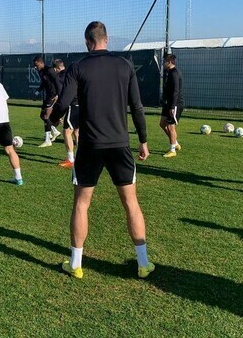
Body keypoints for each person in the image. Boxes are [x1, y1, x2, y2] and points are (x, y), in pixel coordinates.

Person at [50, 21, 153, 279]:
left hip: (90, 147)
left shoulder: (78, 67)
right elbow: (137, 107)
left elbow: (63, 102)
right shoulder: (124, 65)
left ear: (87, 42)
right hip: (120, 145)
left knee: (81, 204)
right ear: (107, 39)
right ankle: (143, 264)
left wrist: (52, 121)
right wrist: (143, 140)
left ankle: (76, 264)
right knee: (131, 203)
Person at [53, 58, 79, 168]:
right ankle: (82, 157)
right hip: (82, 104)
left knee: (66, 132)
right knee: (76, 131)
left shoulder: (59, 77)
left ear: (55, 69)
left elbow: (63, 96)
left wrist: (59, 114)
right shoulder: (73, 74)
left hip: (73, 105)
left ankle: (70, 159)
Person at [33, 55, 62, 147]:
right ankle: (55, 131)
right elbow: (44, 83)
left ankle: (47, 140)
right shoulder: (40, 71)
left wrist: (58, 94)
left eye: (36, 65)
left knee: (46, 116)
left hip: (53, 96)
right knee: (42, 116)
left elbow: (58, 81)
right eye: (34, 65)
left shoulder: (49, 70)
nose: (35, 67)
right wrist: (37, 91)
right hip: (48, 95)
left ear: (41, 63)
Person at [160, 54, 184, 157]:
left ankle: (172, 150)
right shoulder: (167, 72)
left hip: (175, 103)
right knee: (162, 123)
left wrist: (173, 107)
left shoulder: (175, 73)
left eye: (164, 61)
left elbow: (176, 91)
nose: (163, 63)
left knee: (171, 126)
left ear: (169, 62)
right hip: (168, 103)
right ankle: (176, 143)